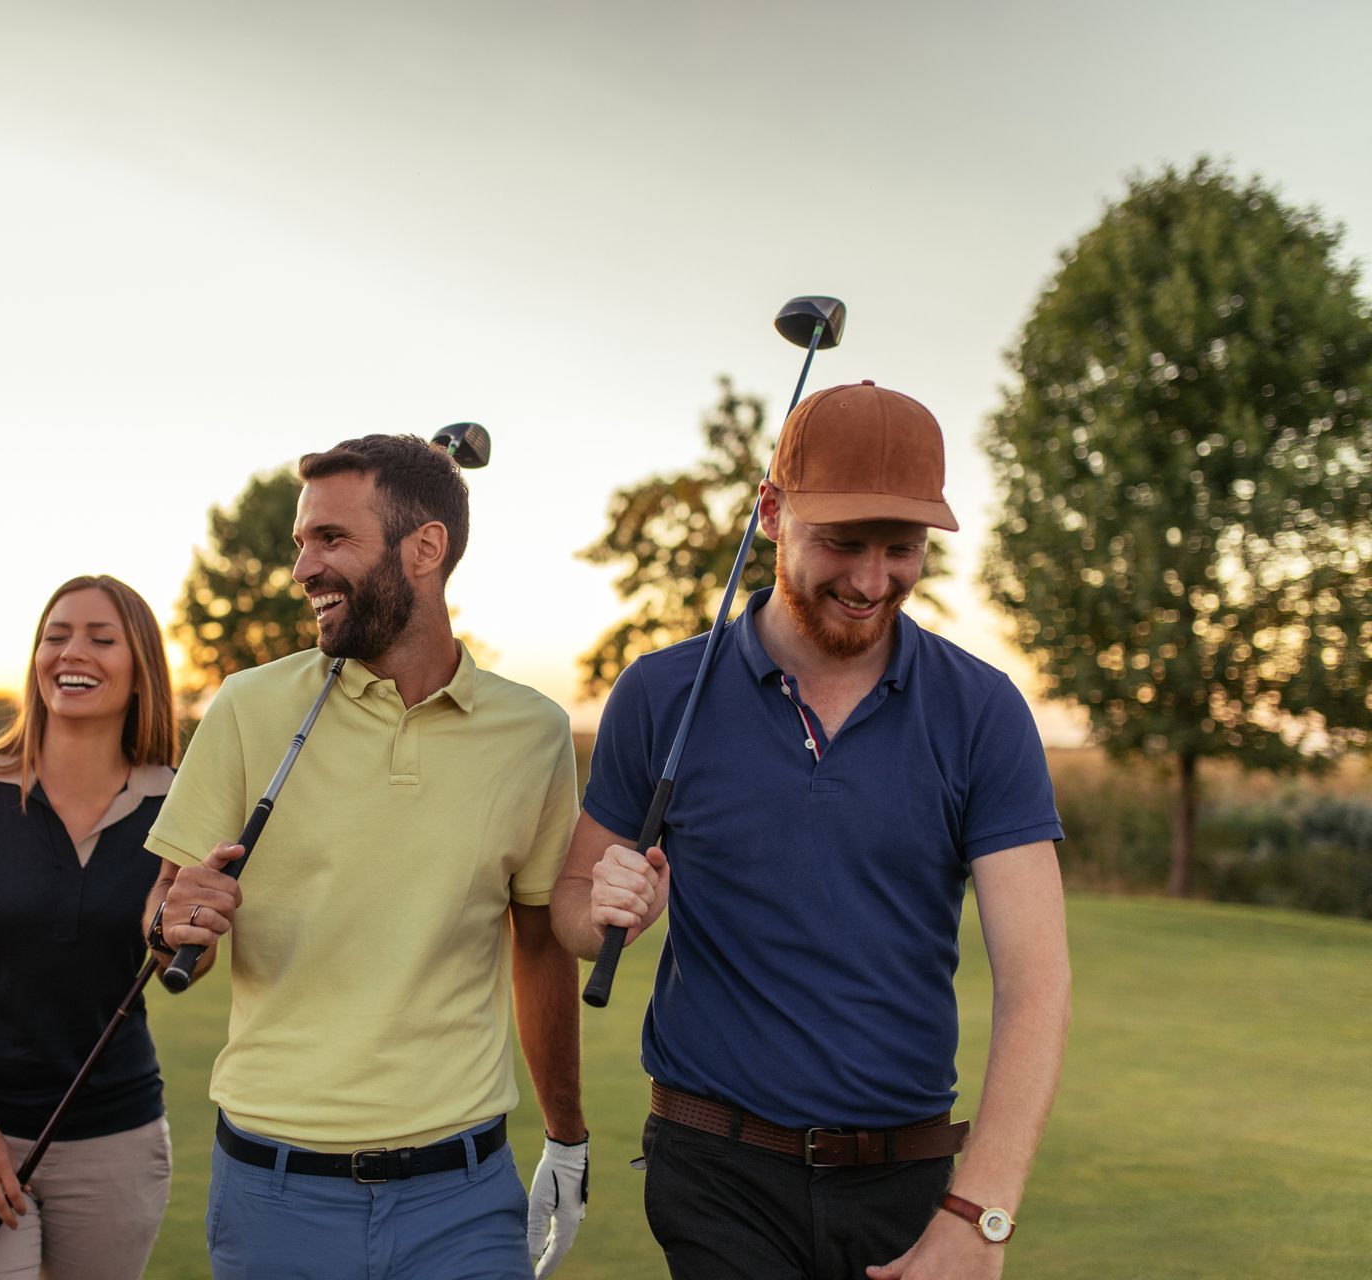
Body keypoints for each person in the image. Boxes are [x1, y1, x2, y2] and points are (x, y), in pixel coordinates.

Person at [555, 382, 1071, 1280]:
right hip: (715, 1172)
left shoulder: (982, 711)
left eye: (901, 550)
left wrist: (978, 1214)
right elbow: (569, 906)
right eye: (842, 543)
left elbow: (1037, 983)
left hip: (908, 1179)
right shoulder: (659, 694)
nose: (872, 583)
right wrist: (604, 909)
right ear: (771, 512)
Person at [144, 434, 590, 1280]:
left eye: (331, 539)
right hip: (274, 1197)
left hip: (464, 1199)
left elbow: (539, 947)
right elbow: (168, 923)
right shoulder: (246, 707)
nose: (302, 568)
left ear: (426, 548)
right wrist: (174, 925)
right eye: (301, 543)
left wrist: (566, 1136)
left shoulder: (533, 733)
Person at [0, 575, 178, 1280]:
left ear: (140, 668)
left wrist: (179, 934)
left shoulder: (179, 802)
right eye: (56, 636)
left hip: (115, 1141)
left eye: (100, 638)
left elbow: (186, 955)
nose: (72, 652)